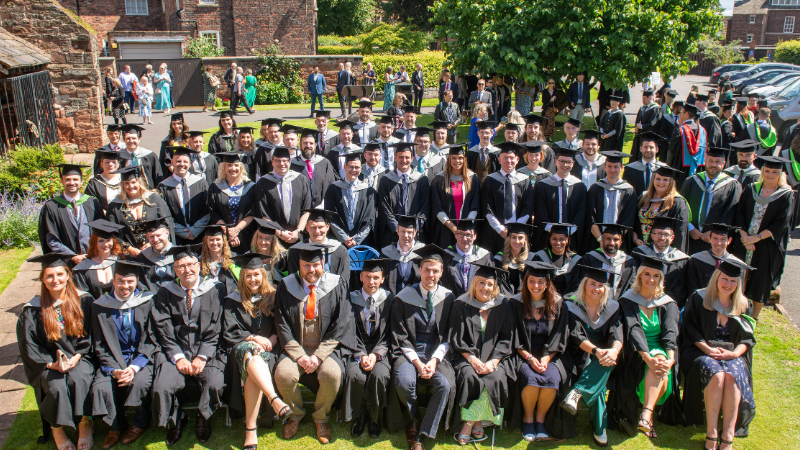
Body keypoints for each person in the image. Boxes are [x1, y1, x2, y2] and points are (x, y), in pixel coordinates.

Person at [273, 242, 356, 444]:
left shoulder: (337, 284)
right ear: (299, 265)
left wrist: (318, 356)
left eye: (315, 265)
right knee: (283, 374)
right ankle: (295, 414)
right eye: (306, 266)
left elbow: (341, 323)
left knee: (332, 374)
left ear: (323, 263)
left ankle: (321, 417)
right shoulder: (286, 286)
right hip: (296, 347)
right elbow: (281, 323)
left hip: (325, 349)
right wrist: (299, 355)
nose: (311, 270)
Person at [17, 254, 96, 450]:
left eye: (60, 274)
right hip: (47, 362)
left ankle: (85, 424)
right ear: (42, 279)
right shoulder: (32, 310)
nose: (55, 280)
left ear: (68, 275)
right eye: (49, 276)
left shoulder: (83, 300)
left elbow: (91, 335)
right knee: (56, 386)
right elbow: (29, 345)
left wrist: (76, 357)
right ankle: (57, 428)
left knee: (78, 379)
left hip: (80, 356)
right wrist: (52, 363)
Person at [151, 245, 225, 445]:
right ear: (174, 270)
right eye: (181, 266)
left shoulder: (214, 289)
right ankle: (176, 420)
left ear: (199, 265)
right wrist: (178, 357)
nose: (187, 270)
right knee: (161, 386)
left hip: (207, 352)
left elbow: (216, 327)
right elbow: (163, 328)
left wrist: (202, 356)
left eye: (191, 264)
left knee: (215, 383)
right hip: (175, 353)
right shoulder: (165, 292)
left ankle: (203, 417)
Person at [679, 260, 756, 448]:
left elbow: (747, 339)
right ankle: (712, 432)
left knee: (732, 375)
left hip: (732, 354)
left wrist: (735, 354)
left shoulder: (744, 304)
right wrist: (707, 349)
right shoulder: (699, 298)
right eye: (725, 279)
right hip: (701, 350)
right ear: (716, 278)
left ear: (738, 283)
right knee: (718, 375)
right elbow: (688, 328)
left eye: (733, 280)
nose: (728, 284)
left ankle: (728, 435)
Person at [389, 244, 457, 450]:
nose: (431, 274)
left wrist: (435, 360)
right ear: (420, 270)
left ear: (442, 272)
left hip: (437, 354)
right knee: (403, 381)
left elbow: (449, 336)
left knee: (444, 385)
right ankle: (413, 417)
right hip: (410, 352)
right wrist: (418, 363)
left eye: (435, 270)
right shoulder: (403, 297)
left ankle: (422, 434)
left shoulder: (448, 298)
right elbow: (400, 336)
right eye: (427, 269)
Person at [220, 253, 291, 449]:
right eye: (248, 275)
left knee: (254, 364)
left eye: (256, 275)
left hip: (269, 351)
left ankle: (250, 430)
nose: (253, 279)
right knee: (249, 353)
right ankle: (274, 399)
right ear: (242, 277)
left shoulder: (274, 296)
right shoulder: (232, 300)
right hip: (239, 350)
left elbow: (282, 326)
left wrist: (270, 340)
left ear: (263, 275)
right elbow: (229, 332)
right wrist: (253, 338)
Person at [610, 255, 683, 439]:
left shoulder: (667, 303)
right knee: (659, 364)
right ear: (640, 275)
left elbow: (670, 334)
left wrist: (671, 359)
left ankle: (646, 414)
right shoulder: (628, 300)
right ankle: (647, 416)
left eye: (656, 276)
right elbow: (633, 330)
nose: (651, 279)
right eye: (647, 274)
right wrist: (647, 357)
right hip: (635, 350)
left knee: (661, 362)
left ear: (661, 278)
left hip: (661, 350)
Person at [89, 260, 156, 449]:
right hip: (111, 360)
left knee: (141, 382)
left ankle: (140, 423)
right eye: (120, 281)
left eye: (129, 281)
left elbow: (151, 339)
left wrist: (134, 367)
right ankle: (116, 426)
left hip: (140, 358)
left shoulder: (147, 302)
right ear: (113, 280)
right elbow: (99, 344)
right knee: (102, 387)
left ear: (136, 281)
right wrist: (114, 370)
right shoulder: (99, 306)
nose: (125, 286)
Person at [507, 261, 573, 442]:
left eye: (540, 282)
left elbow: (560, 334)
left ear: (547, 283)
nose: (536, 286)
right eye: (532, 281)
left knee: (552, 378)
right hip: (523, 353)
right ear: (526, 281)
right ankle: (528, 418)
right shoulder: (515, 302)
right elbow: (512, 335)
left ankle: (540, 420)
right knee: (530, 378)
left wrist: (546, 357)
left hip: (550, 354)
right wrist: (529, 358)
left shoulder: (558, 304)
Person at [449, 264, 513, 444]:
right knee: (471, 376)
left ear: (495, 287)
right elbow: (457, 337)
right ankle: (474, 422)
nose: (485, 288)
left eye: (490, 284)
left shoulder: (502, 305)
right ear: (474, 284)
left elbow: (507, 338)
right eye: (481, 283)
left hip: (495, 359)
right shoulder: (461, 304)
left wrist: (494, 361)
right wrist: (472, 359)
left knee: (494, 377)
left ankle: (471, 422)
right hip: (466, 358)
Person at [560, 266, 622, 447]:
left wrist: (614, 350)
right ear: (584, 285)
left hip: (603, 354)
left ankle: (577, 393)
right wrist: (597, 351)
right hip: (578, 352)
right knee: (601, 378)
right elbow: (575, 335)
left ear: (606, 288)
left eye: (601, 285)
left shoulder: (612, 306)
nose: (596, 288)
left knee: (606, 361)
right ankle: (599, 428)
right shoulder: (571, 303)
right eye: (592, 284)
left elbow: (616, 333)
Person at [340, 258, 395, 438]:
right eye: (368, 277)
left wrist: (376, 355)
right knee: (355, 375)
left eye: (376, 277)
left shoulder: (389, 299)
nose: (372, 282)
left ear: (382, 279)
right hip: (356, 349)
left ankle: (374, 417)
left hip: (381, 351)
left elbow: (390, 333)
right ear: (361, 277)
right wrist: (362, 354)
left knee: (380, 375)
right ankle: (359, 416)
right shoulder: (351, 298)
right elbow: (348, 330)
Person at [735, 156, 794, 319]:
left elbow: (782, 222)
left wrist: (757, 238)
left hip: (767, 244)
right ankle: (737, 311)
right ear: (762, 171)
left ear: (780, 173)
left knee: (761, 281)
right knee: (738, 276)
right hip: (744, 241)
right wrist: (745, 236)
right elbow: (739, 212)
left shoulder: (786, 194)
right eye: (767, 171)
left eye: (774, 172)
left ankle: (753, 317)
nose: (770, 174)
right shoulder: (751, 188)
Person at [680, 147, 742, 255]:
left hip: (716, 240)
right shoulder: (691, 181)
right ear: (705, 162)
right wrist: (690, 228)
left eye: (717, 162)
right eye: (710, 161)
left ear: (723, 164)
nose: (713, 165)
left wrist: (714, 232)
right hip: (691, 236)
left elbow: (731, 213)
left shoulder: (732, 185)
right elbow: (681, 207)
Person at [38, 164, 103, 262]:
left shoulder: (92, 203)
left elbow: (102, 231)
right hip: (66, 262)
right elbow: (50, 238)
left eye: (75, 179)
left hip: (92, 259)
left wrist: (94, 253)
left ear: (81, 181)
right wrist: (71, 256)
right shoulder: (51, 206)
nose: (72, 183)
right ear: (62, 181)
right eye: (68, 179)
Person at [107, 166, 173, 259]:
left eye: (133, 182)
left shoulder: (154, 199)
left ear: (139, 182)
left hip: (156, 252)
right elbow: (112, 233)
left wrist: (152, 243)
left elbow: (167, 224)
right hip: (128, 255)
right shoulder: (115, 205)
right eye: (126, 183)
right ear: (122, 185)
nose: (131, 186)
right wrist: (128, 248)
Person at [252, 146, 312, 248]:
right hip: (274, 239)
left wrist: (298, 231)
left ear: (290, 161)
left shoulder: (301, 179)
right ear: (272, 162)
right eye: (278, 161)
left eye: (285, 161)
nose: (281, 164)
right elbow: (262, 212)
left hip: (298, 237)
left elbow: (307, 208)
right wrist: (279, 232)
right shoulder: (263, 182)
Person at [479, 142, 534, 254]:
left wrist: (515, 228)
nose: (508, 161)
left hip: (518, 234)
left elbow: (528, 207)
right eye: (505, 158)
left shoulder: (524, 181)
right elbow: (487, 207)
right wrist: (500, 229)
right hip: (494, 231)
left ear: (517, 159)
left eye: (511, 158)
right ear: (499, 160)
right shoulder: (490, 180)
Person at [532, 147, 587, 251]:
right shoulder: (543, 185)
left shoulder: (579, 186)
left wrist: (570, 231)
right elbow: (540, 210)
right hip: (546, 235)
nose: (565, 165)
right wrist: (551, 230)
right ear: (556, 161)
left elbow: (581, 212)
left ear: (573, 163)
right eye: (561, 161)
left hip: (571, 236)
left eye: (568, 162)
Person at [377, 142, 431, 248]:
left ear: (412, 158)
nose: (404, 160)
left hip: (415, 234)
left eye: (407, 157)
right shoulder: (386, 180)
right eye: (401, 157)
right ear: (395, 157)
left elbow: (425, 206)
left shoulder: (421, 180)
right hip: (392, 233)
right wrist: (397, 229)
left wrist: (413, 228)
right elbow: (384, 207)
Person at [429, 145, 481, 251]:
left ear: (464, 159)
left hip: (466, 229)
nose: (457, 161)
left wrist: (465, 226)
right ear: (449, 159)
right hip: (446, 228)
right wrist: (452, 227)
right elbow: (437, 207)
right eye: (454, 158)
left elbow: (475, 204)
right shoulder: (439, 179)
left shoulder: (472, 178)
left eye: (460, 158)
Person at [585, 151, 637, 254]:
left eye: (616, 167)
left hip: (619, 243)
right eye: (609, 166)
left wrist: (615, 241)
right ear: (604, 167)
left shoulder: (629, 190)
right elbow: (590, 217)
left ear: (622, 168)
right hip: (596, 240)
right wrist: (601, 239)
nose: (612, 170)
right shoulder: (595, 188)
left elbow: (629, 219)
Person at [631, 217, 690, 307]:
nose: (662, 238)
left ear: (672, 238)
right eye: (658, 234)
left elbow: (681, 288)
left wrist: (663, 302)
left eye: (666, 234)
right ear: (652, 236)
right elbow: (633, 279)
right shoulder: (638, 253)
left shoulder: (681, 259)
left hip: (668, 304)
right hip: (641, 301)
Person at [157, 146, 211, 245]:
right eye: (178, 161)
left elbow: (208, 209)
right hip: (176, 237)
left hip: (200, 236)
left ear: (190, 164)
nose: (182, 164)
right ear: (172, 163)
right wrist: (181, 231)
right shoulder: (163, 186)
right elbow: (163, 214)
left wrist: (195, 230)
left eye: (185, 162)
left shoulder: (201, 183)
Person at [324, 151, 377, 249]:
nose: (354, 170)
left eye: (357, 167)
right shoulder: (333, 189)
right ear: (345, 167)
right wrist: (344, 238)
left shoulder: (369, 191)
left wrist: (356, 239)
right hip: (338, 241)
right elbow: (330, 216)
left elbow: (370, 219)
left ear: (361, 169)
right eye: (351, 166)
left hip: (361, 242)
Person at [633, 166, 690, 254]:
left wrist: (676, 255)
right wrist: (635, 238)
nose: (661, 182)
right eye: (658, 179)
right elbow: (635, 221)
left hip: (663, 251)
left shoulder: (677, 202)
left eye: (665, 179)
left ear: (671, 182)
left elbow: (680, 232)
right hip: (641, 248)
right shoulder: (644, 197)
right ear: (653, 180)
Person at [286, 209, 351, 282]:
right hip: (305, 292)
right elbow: (293, 281)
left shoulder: (340, 250)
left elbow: (344, 281)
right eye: (313, 227)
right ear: (307, 228)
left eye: (320, 227)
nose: (317, 231)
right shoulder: (296, 250)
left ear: (327, 227)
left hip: (333, 292)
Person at [576, 223, 638, 300]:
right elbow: (581, 285)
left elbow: (632, 288)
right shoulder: (589, 259)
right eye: (608, 239)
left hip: (619, 307)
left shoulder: (629, 263)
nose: (612, 243)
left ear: (621, 241)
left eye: (616, 239)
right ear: (602, 240)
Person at [685, 223, 745, 298]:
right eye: (715, 238)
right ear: (709, 239)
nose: (718, 243)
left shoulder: (737, 264)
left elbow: (739, 292)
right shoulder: (696, 259)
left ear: (729, 241)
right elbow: (692, 288)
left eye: (723, 239)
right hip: (700, 303)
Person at [71, 219, 125, 299]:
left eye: (108, 240)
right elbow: (84, 297)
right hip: (94, 309)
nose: (106, 244)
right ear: (94, 242)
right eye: (101, 241)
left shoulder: (120, 262)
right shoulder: (83, 268)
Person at [440, 219, 492, 297]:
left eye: (468, 235)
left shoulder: (485, 257)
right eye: (461, 234)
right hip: (450, 302)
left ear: (474, 236)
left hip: (476, 302)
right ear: (456, 235)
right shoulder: (445, 256)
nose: (464, 239)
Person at [380, 215, 426, 295]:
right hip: (391, 299)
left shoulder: (422, 252)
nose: (406, 235)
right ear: (397, 231)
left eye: (409, 232)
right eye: (403, 231)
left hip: (415, 299)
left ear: (415, 233)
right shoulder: (386, 252)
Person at [531, 223, 581, 296]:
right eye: (554, 239)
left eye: (561, 239)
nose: (558, 242)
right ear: (550, 239)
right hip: (543, 298)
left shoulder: (575, 260)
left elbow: (576, 286)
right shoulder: (539, 257)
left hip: (566, 300)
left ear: (567, 240)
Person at [291, 130, 336, 209]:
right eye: (305, 143)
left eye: (311, 143)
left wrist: (323, 205)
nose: (308, 146)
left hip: (321, 209)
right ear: (300, 144)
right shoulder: (293, 164)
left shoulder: (324, 163)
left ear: (315, 145)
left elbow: (331, 185)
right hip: (300, 209)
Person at [133, 217, 176, 292]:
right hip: (151, 298)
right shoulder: (143, 257)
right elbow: (141, 283)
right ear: (147, 237)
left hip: (176, 297)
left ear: (167, 233)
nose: (155, 240)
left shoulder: (179, 254)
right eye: (152, 237)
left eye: (158, 235)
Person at [493, 222, 534, 296]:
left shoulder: (531, 259)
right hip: (505, 300)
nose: (517, 241)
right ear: (509, 238)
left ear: (525, 239)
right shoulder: (499, 258)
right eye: (513, 237)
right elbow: (500, 284)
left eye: (520, 238)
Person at [621, 131, 667, 196]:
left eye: (651, 147)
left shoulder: (664, 169)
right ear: (641, 149)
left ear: (657, 149)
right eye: (645, 147)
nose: (648, 150)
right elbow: (625, 192)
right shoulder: (630, 169)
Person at [199, 225, 238, 295]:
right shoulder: (200, 261)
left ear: (223, 240)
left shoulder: (234, 259)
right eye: (211, 240)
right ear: (206, 242)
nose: (214, 243)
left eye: (218, 239)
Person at [120, 124, 162, 189]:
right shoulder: (119, 157)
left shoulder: (150, 155)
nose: (131, 141)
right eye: (128, 138)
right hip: (127, 192)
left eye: (134, 138)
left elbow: (157, 177)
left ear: (139, 139)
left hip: (147, 191)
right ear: (124, 140)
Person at [629, 88, 663, 161]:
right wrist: (636, 127)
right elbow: (637, 120)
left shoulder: (656, 108)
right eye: (642, 98)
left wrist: (642, 126)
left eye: (644, 98)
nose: (643, 100)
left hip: (649, 136)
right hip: (640, 135)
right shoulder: (642, 108)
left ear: (651, 97)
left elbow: (654, 123)